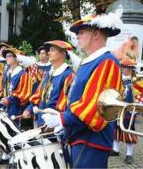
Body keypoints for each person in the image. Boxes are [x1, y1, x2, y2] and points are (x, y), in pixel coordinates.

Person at [41, 13, 124, 168]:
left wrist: (63, 119)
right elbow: (76, 97)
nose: (77, 36)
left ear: (96, 34)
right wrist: (63, 120)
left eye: (81, 31)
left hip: (93, 142)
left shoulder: (107, 62)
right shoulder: (89, 62)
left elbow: (95, 107)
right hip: (80, 137)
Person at [0, 47, 33, 165]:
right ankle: (5, 156)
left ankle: (14, 159)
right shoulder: (6, 72)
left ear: (17, 58)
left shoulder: (23, 74)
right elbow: (0, 88)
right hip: (5, 106)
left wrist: (9, 100)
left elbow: (24, 93)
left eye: (10, 56)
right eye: (6, 56)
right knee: (4, 131)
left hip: (15, 107)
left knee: (13, 132)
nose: (7, 58)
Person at [23, 40, 74, 129]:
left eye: (52, 50)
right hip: (41, 123)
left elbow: (66, 105)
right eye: (49, 50)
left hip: (55, 127)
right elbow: (39, 94)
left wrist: (56, 122)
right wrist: (30, 108)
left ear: (63, 54)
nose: (49, 53)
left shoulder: (68, 75)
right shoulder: (49, 73)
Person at [111, 59, 138, 164]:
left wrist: (134, 110)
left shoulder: (135, 81)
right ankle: (115, 150)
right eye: (121, 66)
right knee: (116, 128)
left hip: (129, 110)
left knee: (128, 130)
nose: (121, 69)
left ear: (130, 68)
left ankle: (129, 154)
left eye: (124, 67)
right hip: (118, 109)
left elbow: (138, 97)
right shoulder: (118, 79)